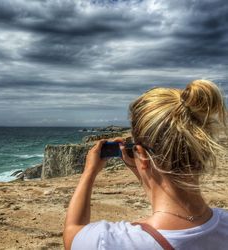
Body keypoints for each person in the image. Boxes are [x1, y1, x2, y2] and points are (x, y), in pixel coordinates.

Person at [63, 79, 228, 250]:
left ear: (141, 155)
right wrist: (142, 165)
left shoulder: (113, 242)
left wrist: (89, 172)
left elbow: (72, 232)